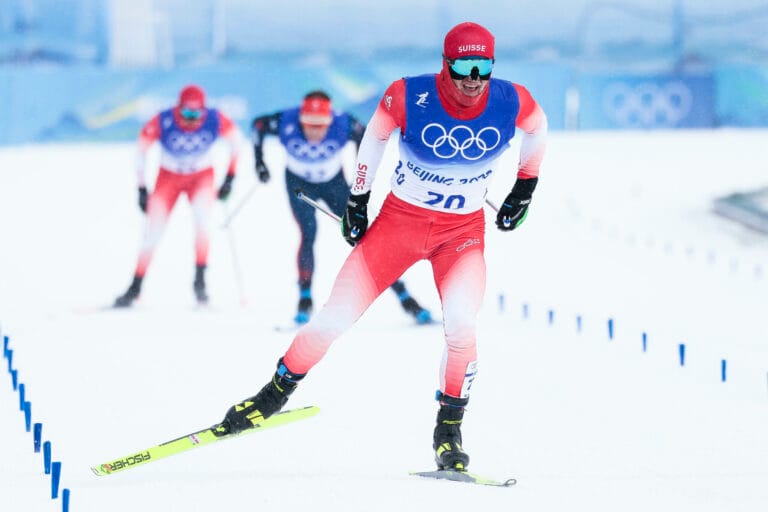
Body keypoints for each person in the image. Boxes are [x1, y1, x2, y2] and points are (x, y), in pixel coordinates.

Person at [219, 21, 547, 471]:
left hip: (461, 235)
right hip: (399, 226)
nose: (474, 79)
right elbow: (374, 137)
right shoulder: (409, 95)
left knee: (462, 327)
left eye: (484, 67)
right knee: (331, 321)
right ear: (446, 64)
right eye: (465, 66)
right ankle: (270, 397)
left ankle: (448, 432)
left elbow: (538, 128)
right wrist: (358, 200)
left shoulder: (511, 99)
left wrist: (524, 188)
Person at [251, 90, 432, 325]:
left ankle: (406, 298)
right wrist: (259, 161)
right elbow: (257, 126)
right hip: (299, 184)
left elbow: (369, 139)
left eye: (320, 124)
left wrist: (362, 170)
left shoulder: (344, 123)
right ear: (300, 118)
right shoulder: (285, 120)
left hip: (333, 184)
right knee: (308, 235)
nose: (314, 131)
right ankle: (304, 300)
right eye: (308, 124)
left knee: (364, 238)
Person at [114, 84, 245, 307]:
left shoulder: (216, 119)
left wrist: (230, 178)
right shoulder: (163, 120)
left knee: (203, 226)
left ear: (204, 110)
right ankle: (135, 287)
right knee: (153, 232)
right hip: (169, 179)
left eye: (196, 114)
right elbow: (140, 150)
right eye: (186, 113)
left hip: (201, 178)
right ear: (178, 108)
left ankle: (200, 282)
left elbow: (237, 143)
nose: (191, 120)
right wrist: (141, 188)